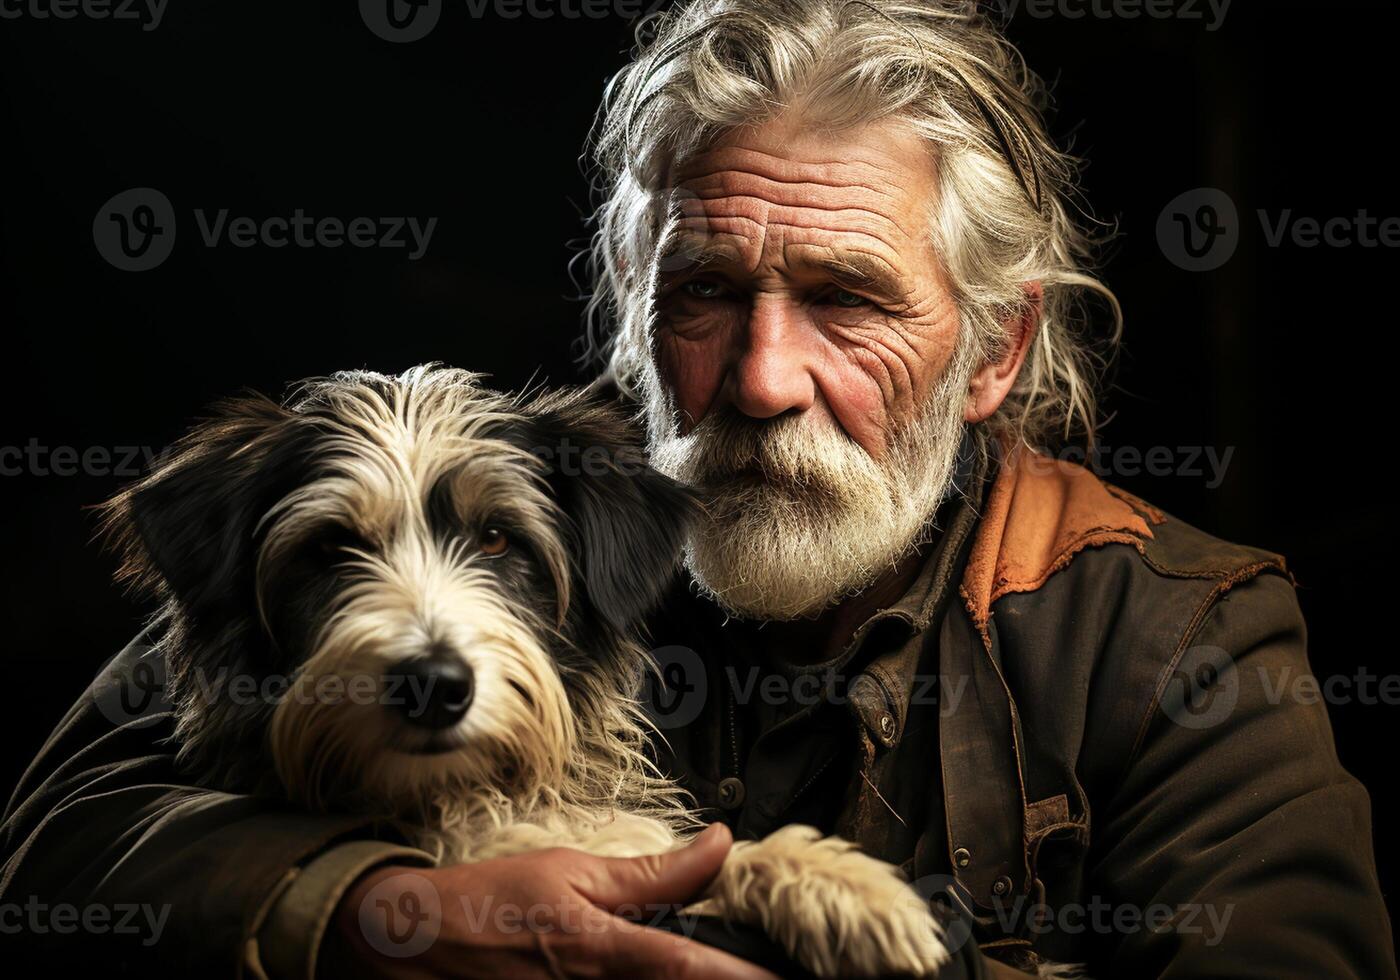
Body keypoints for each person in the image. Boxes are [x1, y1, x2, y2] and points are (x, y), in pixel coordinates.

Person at [3, 1, 1393, 977]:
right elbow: (62, 843)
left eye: (850, 300)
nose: (764, 375)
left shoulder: (1176, 636)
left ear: (994, 349)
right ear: (631, 308)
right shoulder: (507, 501)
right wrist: (380, 911)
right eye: (709, 293)